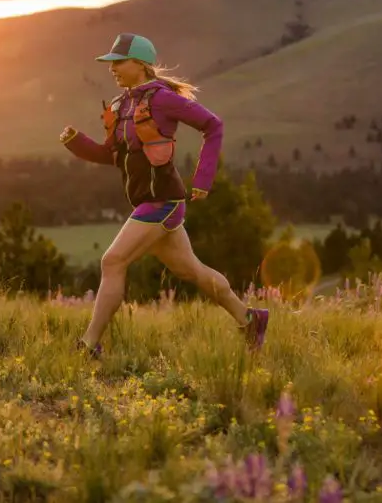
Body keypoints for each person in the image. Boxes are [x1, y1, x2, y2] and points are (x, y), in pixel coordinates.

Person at [60, 32, 269, 358]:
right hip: (148, 202)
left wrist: (203, 178)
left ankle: (89, 345)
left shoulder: (162, 99)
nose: (111, 68)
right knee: (192, 272)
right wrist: (76, 141)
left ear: (140, 64)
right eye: (109, 63)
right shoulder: (121, 105)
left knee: (112, 261)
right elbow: (112, 156)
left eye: (119, 62)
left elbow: (213, 126)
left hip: (162, 202)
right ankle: (250, 319)